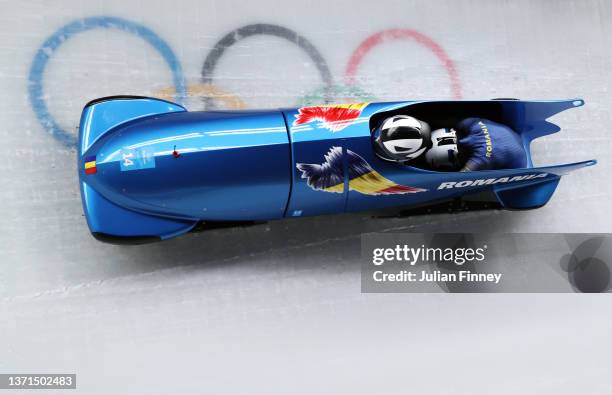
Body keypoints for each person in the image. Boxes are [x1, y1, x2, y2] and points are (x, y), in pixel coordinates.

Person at [373, 115, 527, 171]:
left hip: (519, 162)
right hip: (504, 131)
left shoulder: (479, 159)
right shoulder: (472, 124)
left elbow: (461, 178)